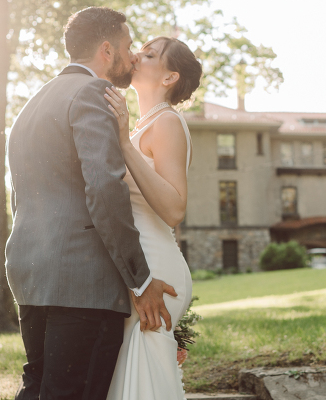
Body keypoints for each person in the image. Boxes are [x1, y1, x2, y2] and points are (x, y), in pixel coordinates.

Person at [5, 7, 178, 400]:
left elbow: (23, 196)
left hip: (31, 274)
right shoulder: (92, 93)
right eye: (128, 46)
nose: (133, 56)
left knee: (38, 388)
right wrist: (142, 279)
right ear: (106, 50)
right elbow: (104, 188)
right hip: (84, 282)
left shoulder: (31, 105)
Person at [103, 34, 201, 400]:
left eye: (149, 54)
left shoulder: (167, 124)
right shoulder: (144, 124)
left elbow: (175, 208)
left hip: (156, 271)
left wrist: (125, 143)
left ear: (169, 77)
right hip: (136, 268)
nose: (135, 57)